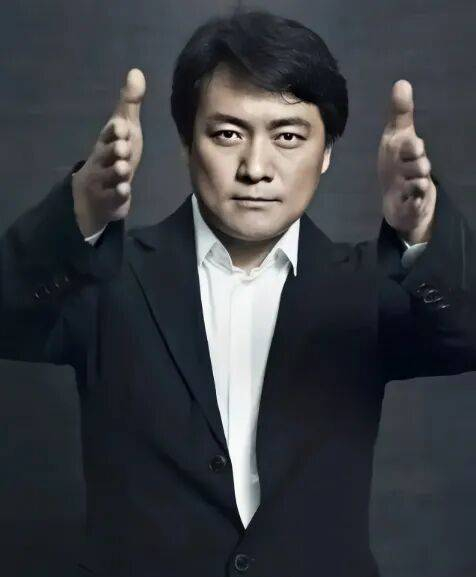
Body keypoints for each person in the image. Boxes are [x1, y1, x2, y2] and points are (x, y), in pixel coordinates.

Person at [1, 9, 475, 577]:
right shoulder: (109, 276)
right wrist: (80, 208)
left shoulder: (368, 285)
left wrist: (422, 231)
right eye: (228, 134)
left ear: (327, 153)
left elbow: (465, 336)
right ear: (186, 143)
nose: (255, 168)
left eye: (288, 137)